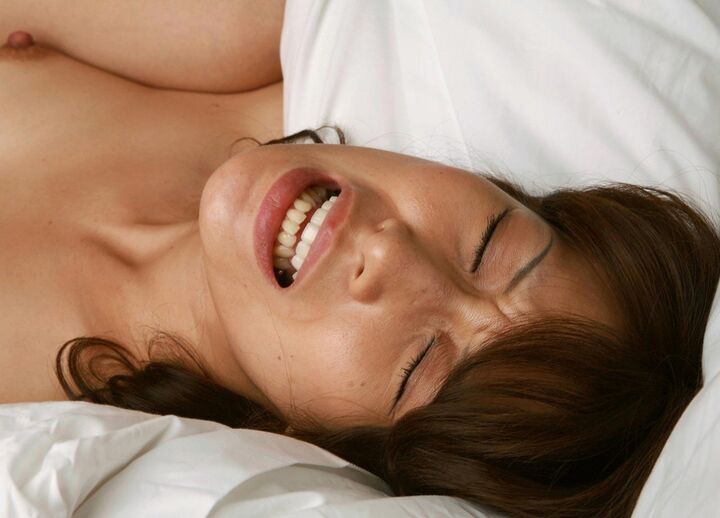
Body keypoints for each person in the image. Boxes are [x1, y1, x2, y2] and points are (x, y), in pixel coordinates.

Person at [1, 3, 718, 517]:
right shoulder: (240, 29)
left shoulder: (30, 414)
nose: (387, 249)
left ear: (324, 445)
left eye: (417, 364)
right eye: (489, 242)